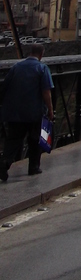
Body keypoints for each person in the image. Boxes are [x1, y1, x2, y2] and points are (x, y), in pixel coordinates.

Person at [0, 43, 54, 181]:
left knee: (13, 140)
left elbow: (4, 87)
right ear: (41, 55)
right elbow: (46, 92)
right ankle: (33, 167)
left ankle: (4, 163)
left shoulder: (16, 67)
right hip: (34, 112)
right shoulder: (42, 68)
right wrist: (50, 111)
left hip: (14, 112)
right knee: (35, 139)